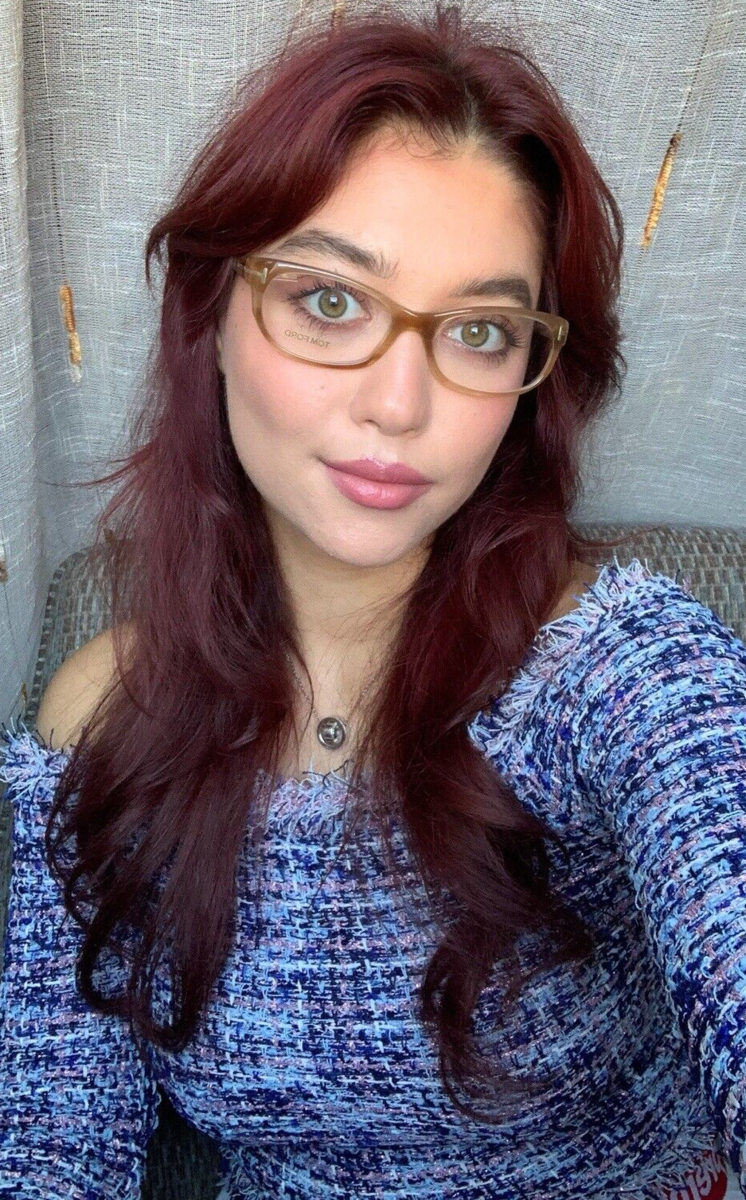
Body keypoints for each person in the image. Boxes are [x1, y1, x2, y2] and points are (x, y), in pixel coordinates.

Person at [0, 4, 744, 1198]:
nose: (400, 405)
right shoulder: (99, 723)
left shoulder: (620, 672)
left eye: (480, 330)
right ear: (212, 317)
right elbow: (54, 1135)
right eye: (331, 301)